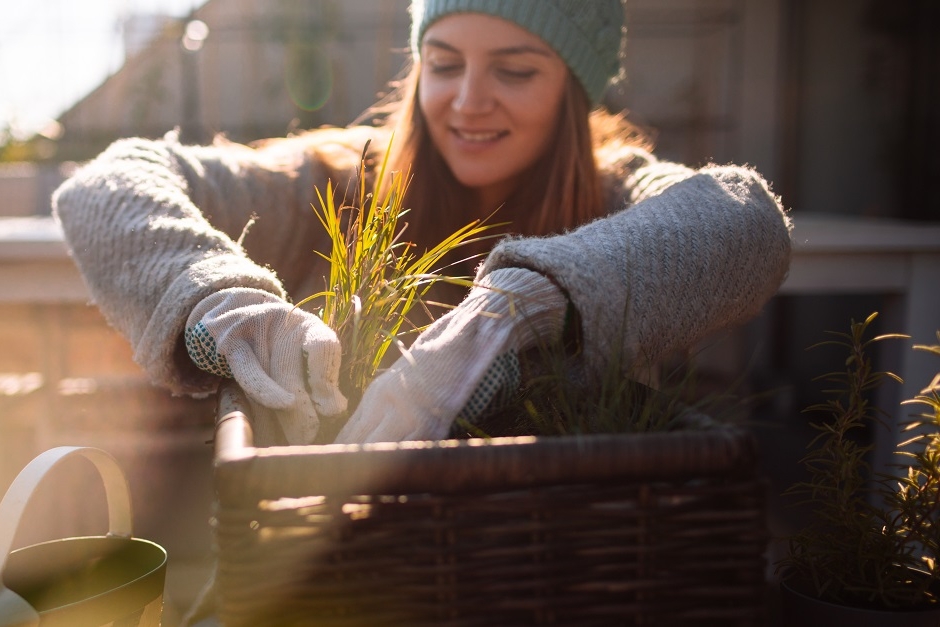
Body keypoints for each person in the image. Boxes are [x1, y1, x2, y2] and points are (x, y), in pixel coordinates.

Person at [52, 0, 792, 448]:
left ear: (573, 87)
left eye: (515, 70)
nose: (469, 101)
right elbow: (106, 187)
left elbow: (747, 217)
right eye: (444, 64)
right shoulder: (341, 183)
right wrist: (224, 300)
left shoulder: (616, 193)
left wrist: (512, 311)